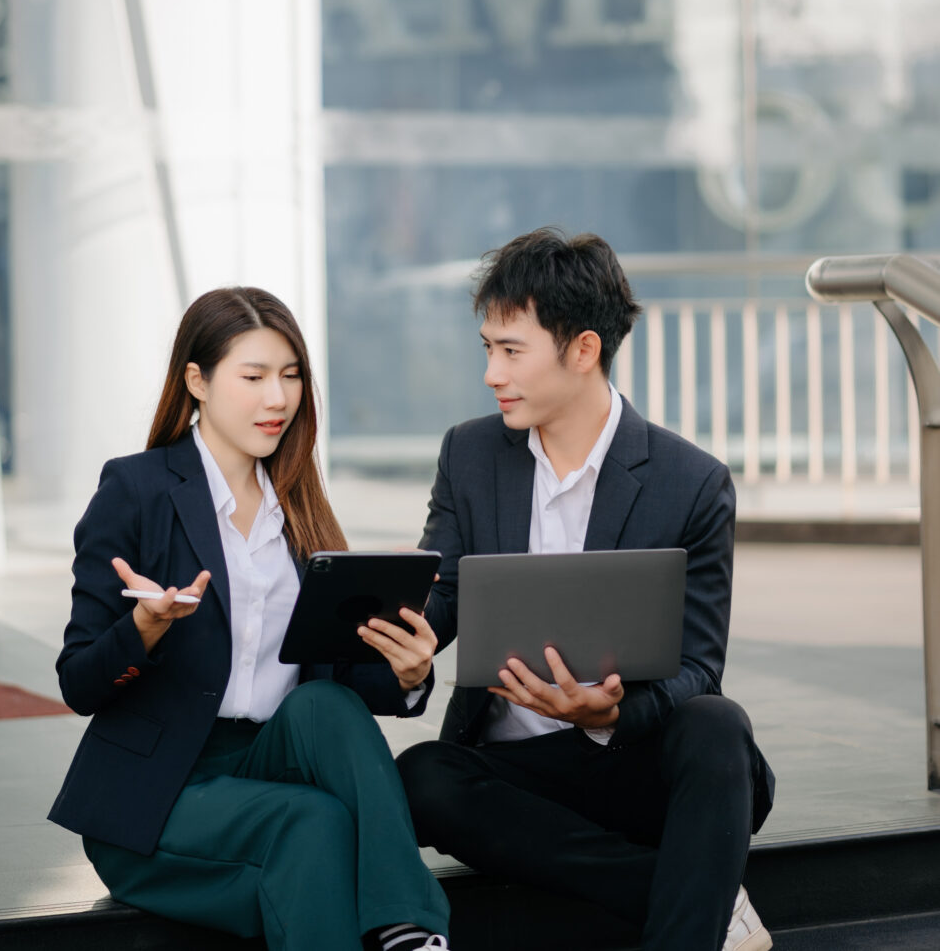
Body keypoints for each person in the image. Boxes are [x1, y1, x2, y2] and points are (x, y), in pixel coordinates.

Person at [396, 229, 775, 951]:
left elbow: (697, 665)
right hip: (518, 774)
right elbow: (440, 594)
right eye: (487, 349)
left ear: (582, 350)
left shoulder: (689, 482)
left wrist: (608, 714)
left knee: (716, 723)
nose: (490, 374)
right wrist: (408, 636)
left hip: (635, 759)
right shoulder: (470, 454)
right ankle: (702, 899)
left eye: (511, 352)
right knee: (421, 776)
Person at [49, 286, 450, 951]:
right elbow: (78, 682)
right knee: (311, 825)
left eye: (291, 377)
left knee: (324, 705)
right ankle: (404, 924)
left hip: (269, 761)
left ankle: (407, 925)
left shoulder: (298, 508)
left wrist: (408, 676)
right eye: (255, 376)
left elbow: (342, 677)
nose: (277, 399)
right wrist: (143, 630)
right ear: (197, 381)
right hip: (161, 791)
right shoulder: (137, 490)